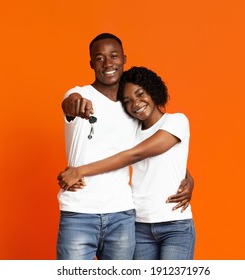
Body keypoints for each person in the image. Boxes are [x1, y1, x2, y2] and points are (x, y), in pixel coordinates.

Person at [56, 33, 194, 260]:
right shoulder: (79, 94)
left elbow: (142, 152)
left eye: (113, 56)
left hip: (122, 216)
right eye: (99, 58)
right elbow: (70, 103)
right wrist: (76, 104)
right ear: (91, 63)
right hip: (81, 212)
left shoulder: (133, 111)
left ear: (124, 58)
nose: (108, 63)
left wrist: (188, 179)